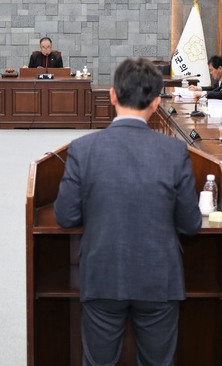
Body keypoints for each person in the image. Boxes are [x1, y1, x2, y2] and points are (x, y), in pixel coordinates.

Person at [53, 57, 202, 366]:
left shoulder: (82, 149)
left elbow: (66, 216)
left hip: (102, 275)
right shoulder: (175, 152)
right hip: (159, 278)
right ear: (156, 103)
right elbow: (190, 223)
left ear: (112, 95)